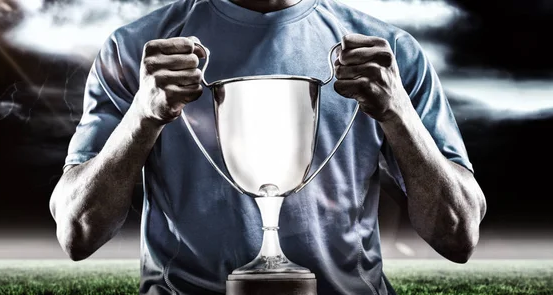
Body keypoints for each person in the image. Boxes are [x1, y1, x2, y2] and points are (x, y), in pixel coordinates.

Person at [49, 0, 487, 294]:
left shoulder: (388, 55)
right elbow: (77, 231)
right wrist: (142, 116)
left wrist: (398, 113)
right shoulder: (138, 51)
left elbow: (458, 235)